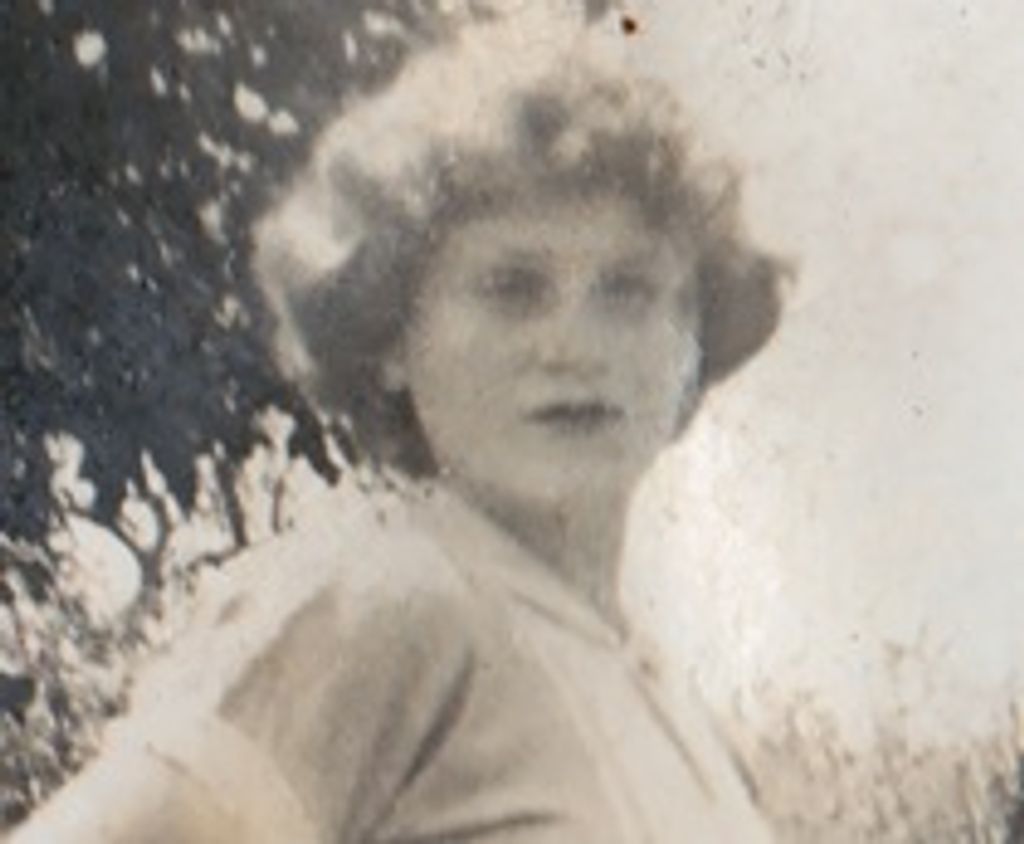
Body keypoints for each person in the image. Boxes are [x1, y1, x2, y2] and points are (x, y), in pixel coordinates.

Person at [9, 14, 786, 844]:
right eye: (511, 288)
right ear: (392, 339)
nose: (573, 345)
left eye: (628, 291)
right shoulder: (379, 601)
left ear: (692, 342)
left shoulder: (677, 710)